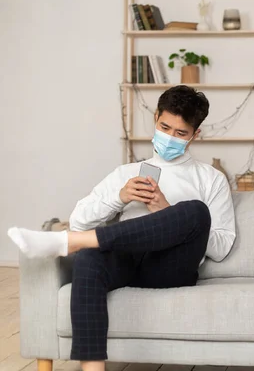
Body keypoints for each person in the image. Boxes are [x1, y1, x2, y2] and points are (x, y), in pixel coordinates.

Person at [8, 85, 236, 371]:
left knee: (195, 211)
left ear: (194, 135)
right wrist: (120, 198)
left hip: (170, 268)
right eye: (165, 127)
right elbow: (79, 219)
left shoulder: (210, 179)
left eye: (180, 133)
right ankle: (92, 368)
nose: (170, 137)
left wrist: (165, 209)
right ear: (155, 118)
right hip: (124, 261)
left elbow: (223, 246)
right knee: (90, 256)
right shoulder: (125, 174)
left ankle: (69, 242)